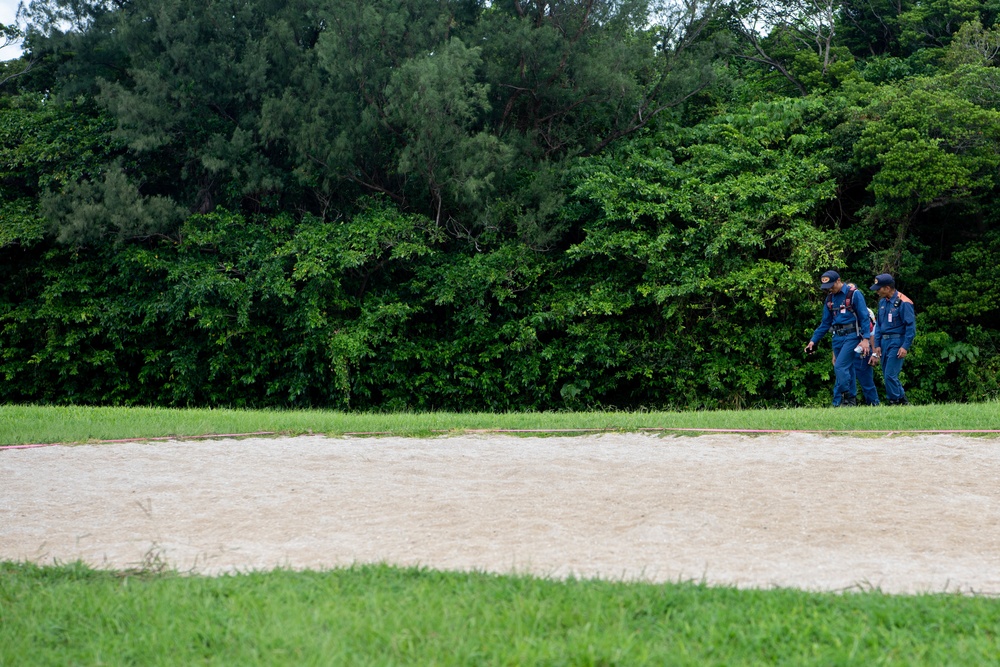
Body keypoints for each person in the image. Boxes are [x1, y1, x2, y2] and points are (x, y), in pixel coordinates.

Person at [804, 270, 870, 407]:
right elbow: (825, 323)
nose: (830, 289)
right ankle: (851, 402)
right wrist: (813, 340)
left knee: (840, 366)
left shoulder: (854, 294)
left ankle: (846, 397)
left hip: (852, 335)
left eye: (832, 286)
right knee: (848, 368)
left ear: (839, 280)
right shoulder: (829, 299)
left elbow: (864, 317)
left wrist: (865, 339)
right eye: (827, 288)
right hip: (837, 337)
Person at [870, 273, 916, 405]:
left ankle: (894, 400)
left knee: (890, 374)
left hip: (897, 341)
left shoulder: (904, 302)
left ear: (888, 288)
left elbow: (910, 327)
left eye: (879, 288)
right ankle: (902, 400)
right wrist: (877, 344)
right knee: (887, 374)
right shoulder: (882, 302)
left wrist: (905, 346)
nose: (877, 291)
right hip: (884, 342)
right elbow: (878, 325)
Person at [834, 302, 880, 405]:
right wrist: (835, 354)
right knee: (842, 379)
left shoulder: (866, 312)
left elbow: (872, 334)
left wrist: (874, 353)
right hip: (845, 351)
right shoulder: (839, 311)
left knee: (866, 381)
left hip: (862, 350)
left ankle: (874, 404)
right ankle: (842, 404)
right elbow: (836, 334)